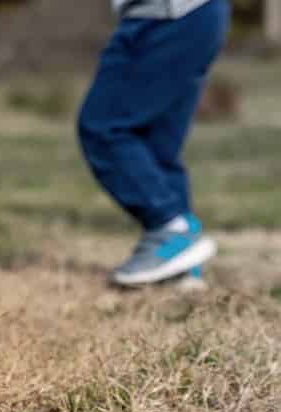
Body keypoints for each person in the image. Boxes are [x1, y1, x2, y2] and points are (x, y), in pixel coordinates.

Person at [78, 0, 230, 287]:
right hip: (201, 12)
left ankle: (170, 230)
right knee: (157, 145)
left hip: (164, 16)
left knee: (103, 127)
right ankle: (179, 267)